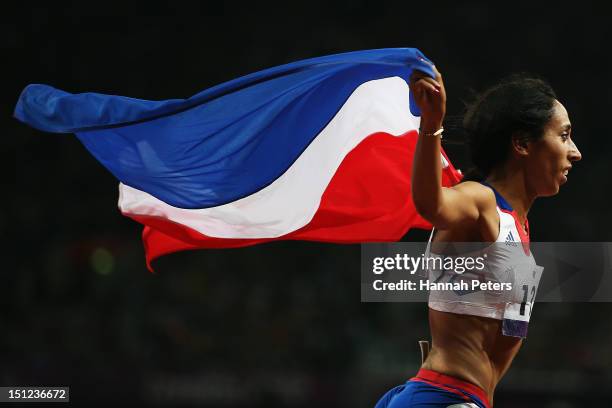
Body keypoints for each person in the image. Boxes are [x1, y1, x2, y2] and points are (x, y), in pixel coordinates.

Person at [374, 65, 582, 408]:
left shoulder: (517, 225)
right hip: (441, 397)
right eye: (563, 135)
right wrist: (431, 124)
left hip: (460, 398)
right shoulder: (479, 200)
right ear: (521, 143)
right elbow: (431, 204)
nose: (575, 151)